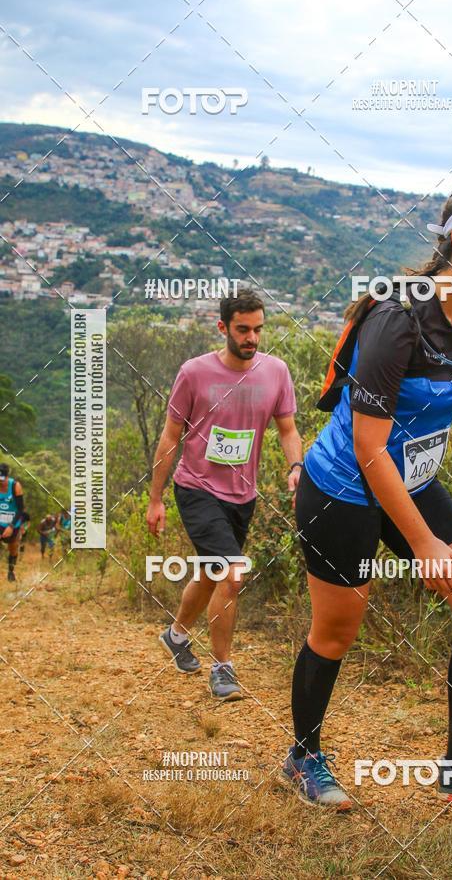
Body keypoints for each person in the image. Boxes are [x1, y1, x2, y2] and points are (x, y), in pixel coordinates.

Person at [281, 178, 452, 811]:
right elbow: (368, 446)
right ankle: (303, 758)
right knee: (336, 630)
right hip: (343, 490)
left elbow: (424, 422)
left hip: (411, 482)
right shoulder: (397, 319)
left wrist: (426, 514)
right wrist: (423, 541)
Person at [146, 289, 303, 701]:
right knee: (231, 573)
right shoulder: (194, 373)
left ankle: (176, 635)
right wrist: (156, 499)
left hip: (242, 494)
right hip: (196, 487)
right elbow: (169, 437)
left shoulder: (276, 372)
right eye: (242, 330)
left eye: (258, 329)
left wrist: (296, 467)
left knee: (210, 572)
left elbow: (288, 430)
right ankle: (223, 669)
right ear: (223, 328)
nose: (252, 338)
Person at [0, 463, 25, 582]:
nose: (1, 483)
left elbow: (21, 510)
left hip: (13, 521)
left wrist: (11, 526)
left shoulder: (15, 486)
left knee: (13, 548)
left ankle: (11, 571)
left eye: (2, 480)